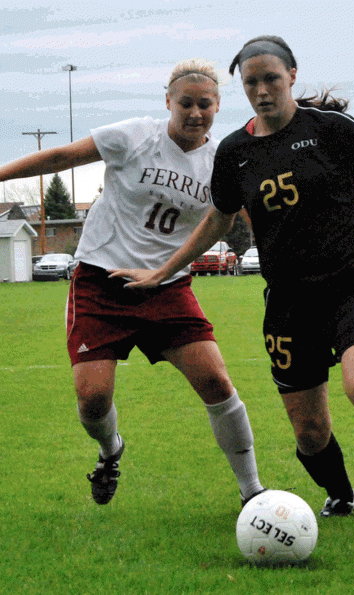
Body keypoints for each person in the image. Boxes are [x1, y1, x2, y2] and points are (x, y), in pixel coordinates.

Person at [110, 37, 354, 529]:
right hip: (289, 302)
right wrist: (164, 270)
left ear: (292, 75)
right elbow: (217, 221)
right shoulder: (234, 151)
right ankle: (340, 495)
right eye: (251, 82)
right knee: (310, 433)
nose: (262, 90)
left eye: (271, 78)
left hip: (353, 286)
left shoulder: (330, 130)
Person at [0, 58, 265, 508]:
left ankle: (252, 492)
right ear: (168, 101)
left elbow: (236, 217)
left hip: (168, 288)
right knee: (92, 398)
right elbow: (63, 156)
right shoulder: (134, 136)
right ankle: (110, 450)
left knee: (217, 383)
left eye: (205, 104)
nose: (195, 112)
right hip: (102, 283)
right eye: (185, 103)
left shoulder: (222, 161)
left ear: (218, 105)